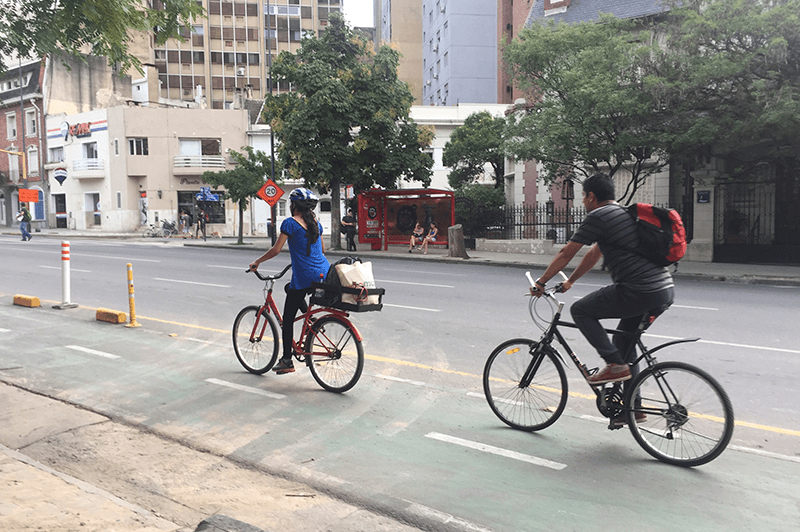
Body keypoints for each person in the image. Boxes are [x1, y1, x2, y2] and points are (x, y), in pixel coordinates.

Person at [530, 173, 674, 424]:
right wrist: (571, 280)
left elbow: (567, 252)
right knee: (623, 344)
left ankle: (614, 365)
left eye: (583, 197)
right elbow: (594, 254)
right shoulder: (624, 214)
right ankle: (633, 408)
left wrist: (541, 282)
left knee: (581, 311)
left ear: (591, 196)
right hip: (663, 289)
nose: (582, 202)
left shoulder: (598, 216)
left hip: (638, 290)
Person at [249, 188, 330, 375]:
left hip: (304, 275)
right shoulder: (316, 224)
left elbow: (276, 250)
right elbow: (322, 250)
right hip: (323, 272)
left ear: (293, 206)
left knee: (287, 321)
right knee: (289, 288)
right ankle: (310, 318)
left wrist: (257, 262)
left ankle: (287, 360)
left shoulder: (290, 224)